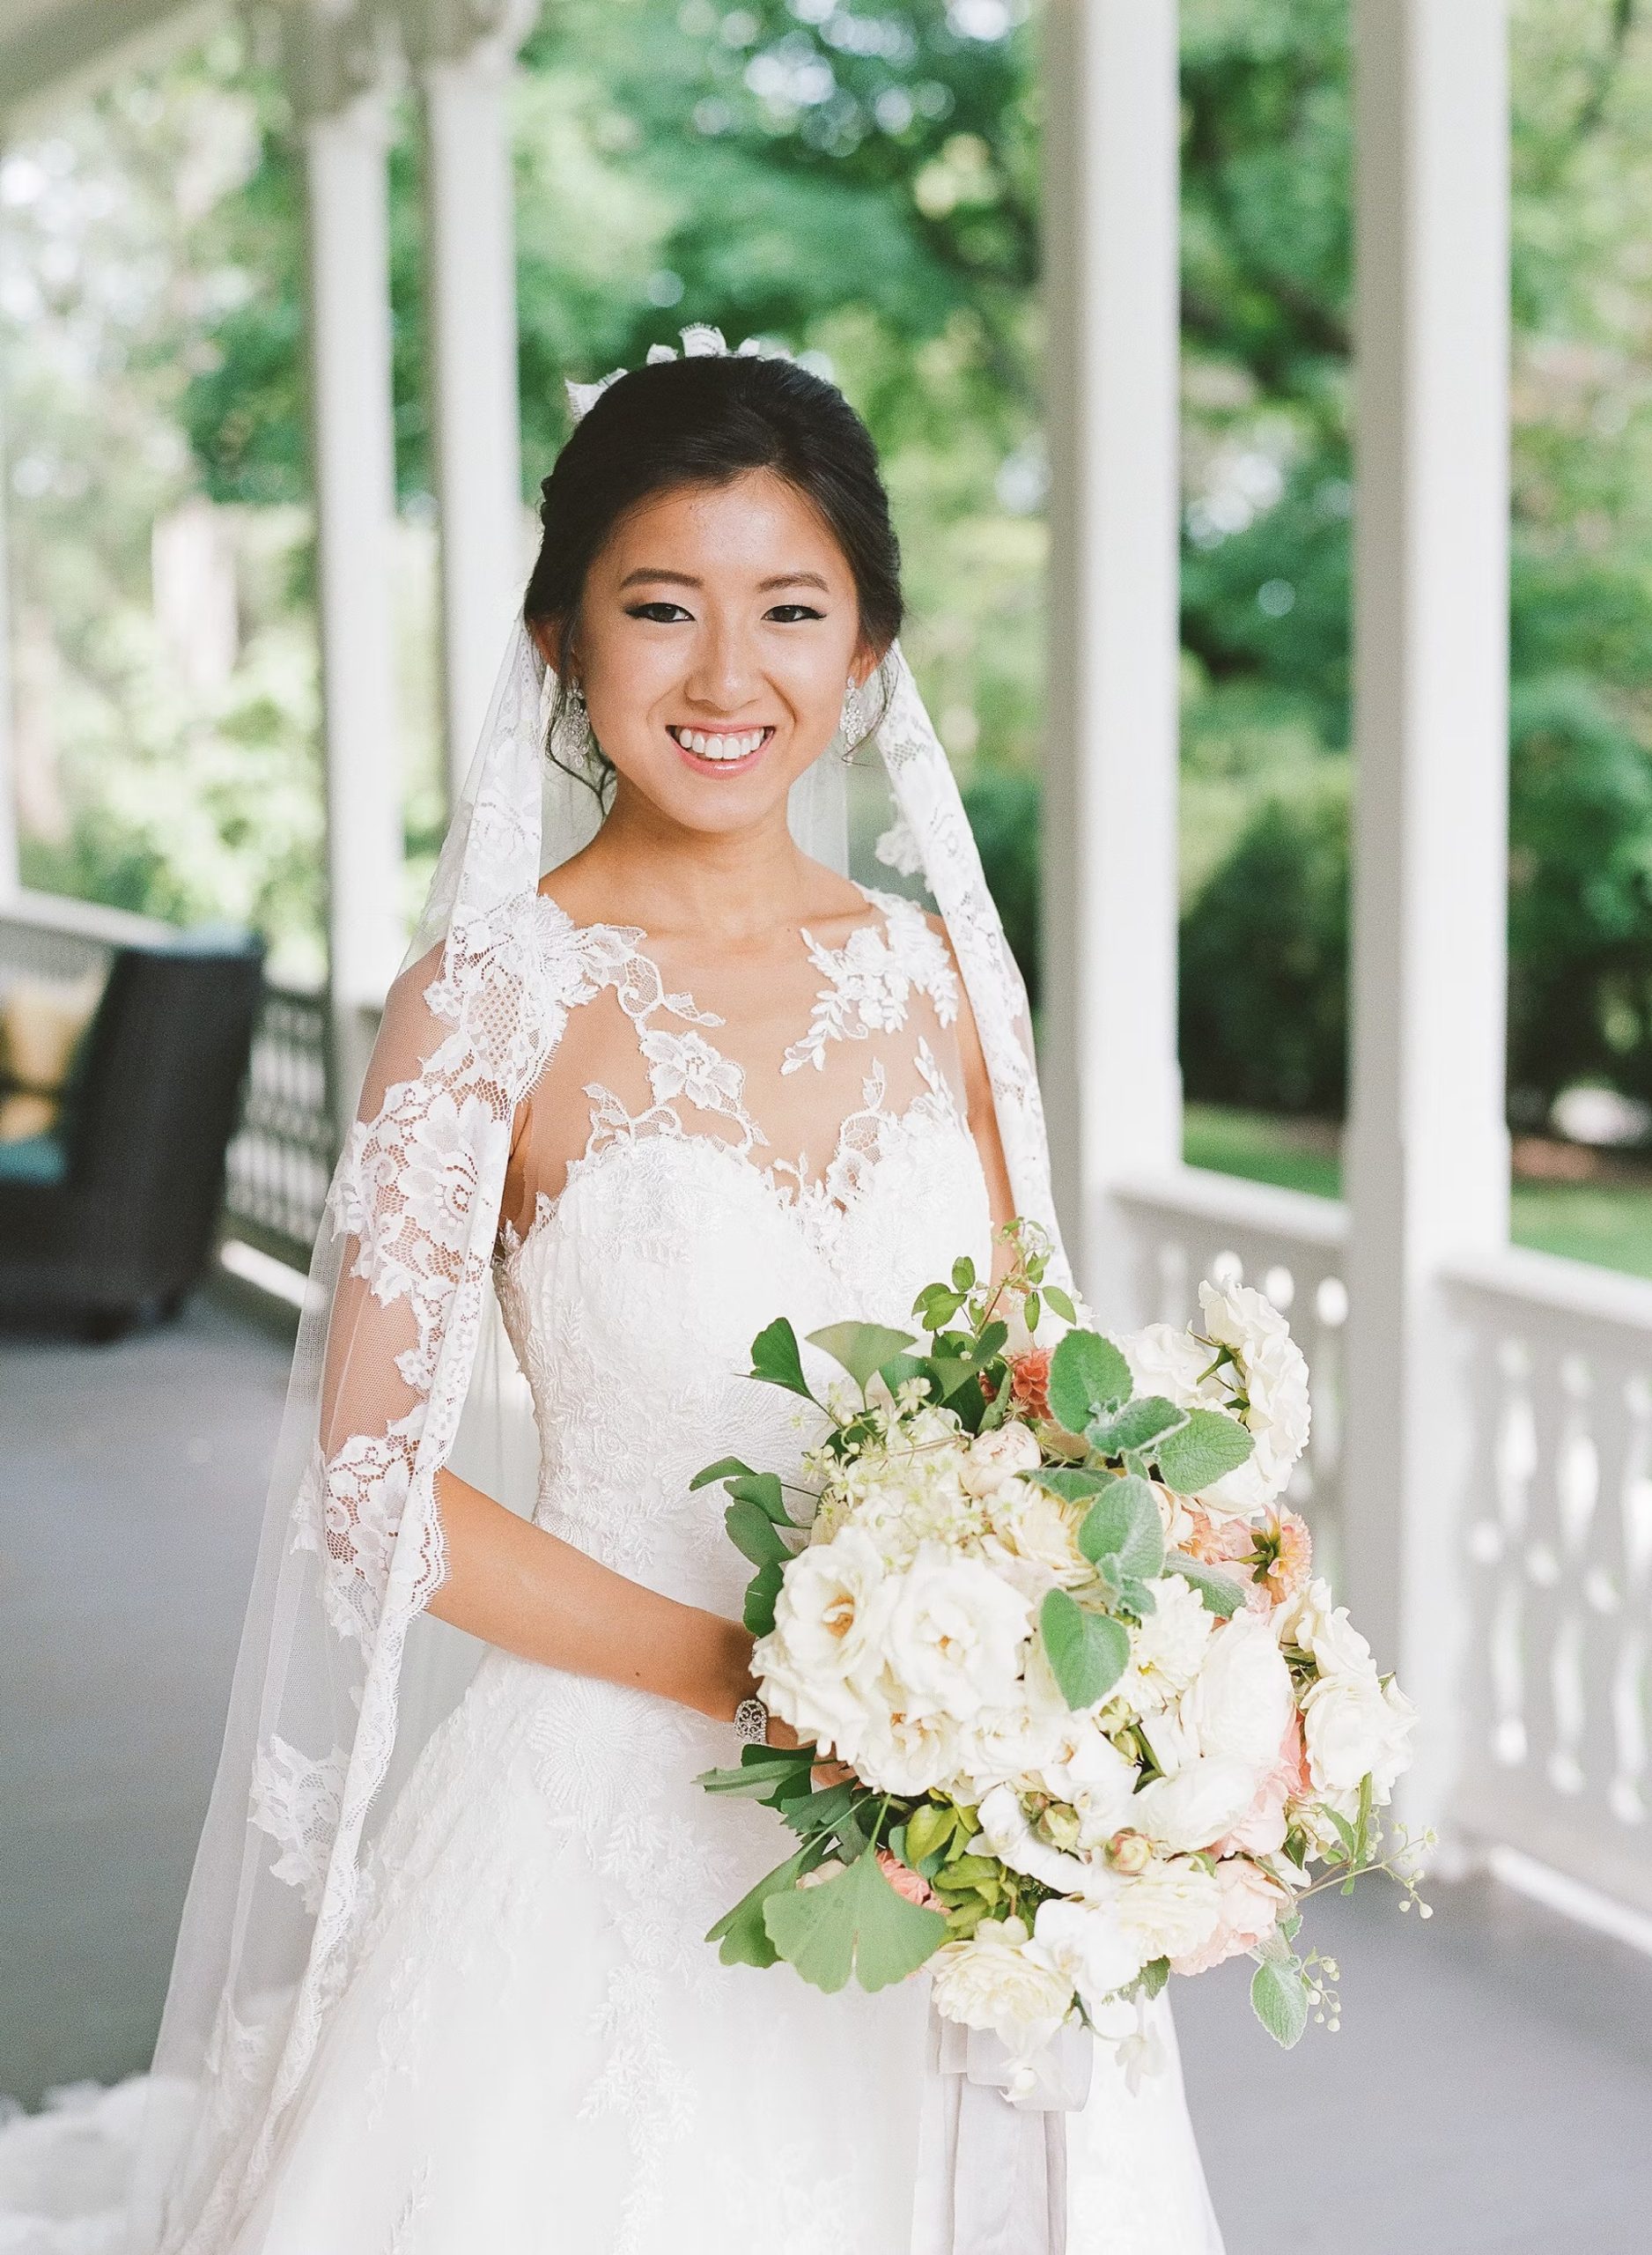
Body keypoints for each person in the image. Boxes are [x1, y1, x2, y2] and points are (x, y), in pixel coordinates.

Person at [92, 324, 1223, 2253]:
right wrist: (769, 1683)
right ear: (558, 637)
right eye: (659, 607)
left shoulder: (945, 976)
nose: (725, 677)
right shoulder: (489, 1000)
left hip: (954, 1819)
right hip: (601, 1806)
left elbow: (1043, 1387)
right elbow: (375, 1487)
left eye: (788, 610)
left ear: (864, 655)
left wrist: (1101, 1675)